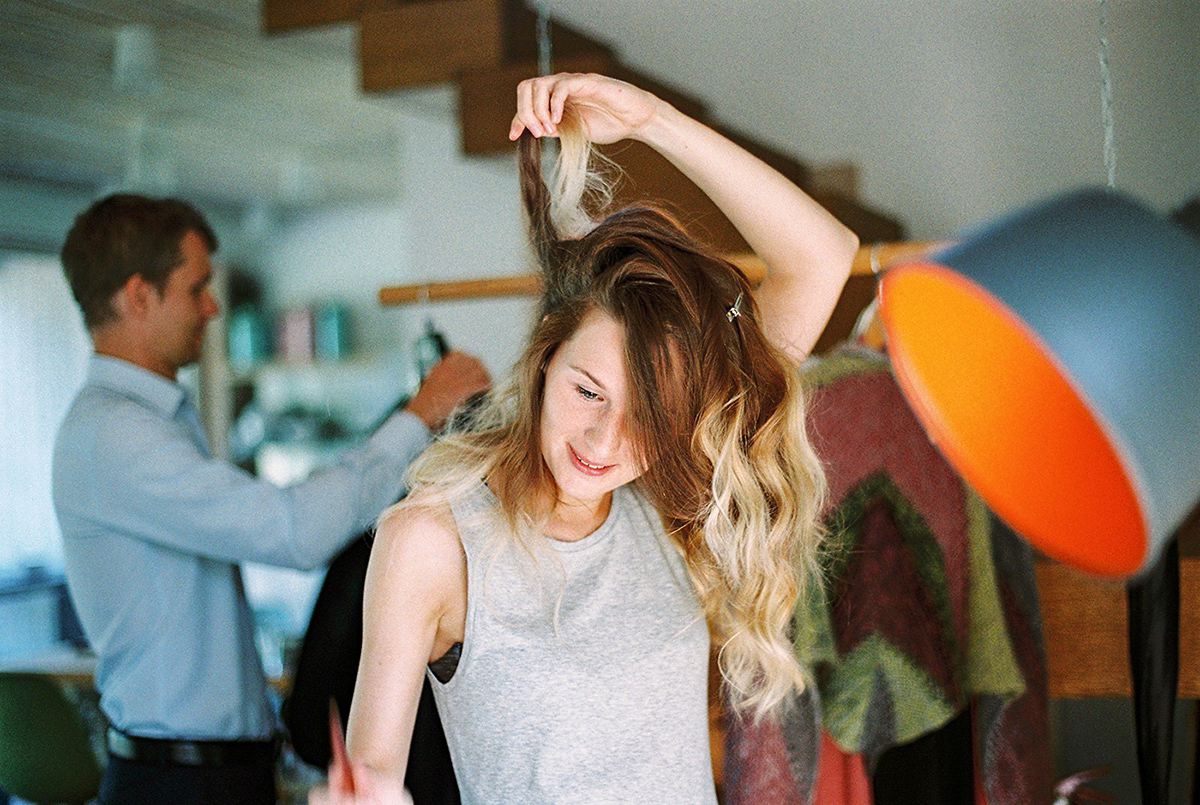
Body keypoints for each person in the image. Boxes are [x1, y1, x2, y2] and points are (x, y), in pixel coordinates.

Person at [314, 72, 859, 805]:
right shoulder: (434, 541)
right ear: (546, 357)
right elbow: (373, 771)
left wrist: (654, 120)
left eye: (650, 413)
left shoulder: (671, 491)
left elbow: (823, 256)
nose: (606, 440)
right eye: (588, 392)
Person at [52, 193, 490, 805]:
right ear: (139, 297)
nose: (212, 308)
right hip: (178, 786)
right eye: (196, 288)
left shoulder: (152, 421)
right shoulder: (116, 435)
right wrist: (418, 417)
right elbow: (295, 531)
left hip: (212, 772)